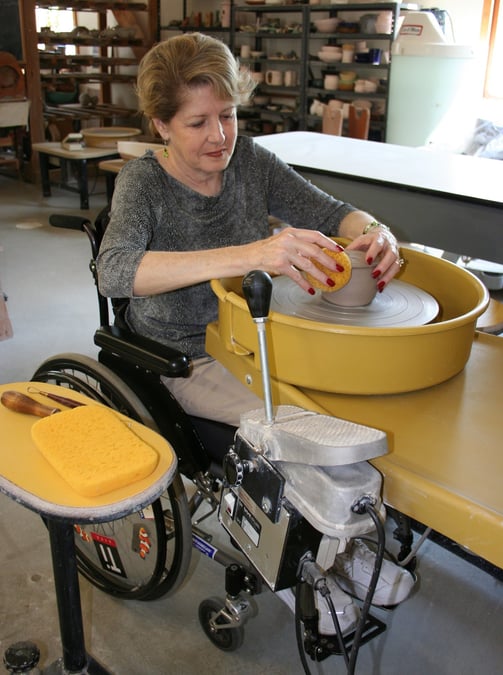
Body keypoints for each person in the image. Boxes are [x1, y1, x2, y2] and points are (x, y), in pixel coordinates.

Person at [97, 32, 413, 634]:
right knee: (303, 437)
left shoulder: (250, 161)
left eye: (228, 115)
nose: (219, 136)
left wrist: (378, 232)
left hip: (262, 337)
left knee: (354, 418)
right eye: (197, 123)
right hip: (186, 355)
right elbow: (115, 273)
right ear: (161, 126)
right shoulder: (144, 184)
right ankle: (320, 575)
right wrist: (251, 253)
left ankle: (346, 547)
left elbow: (328, 210)